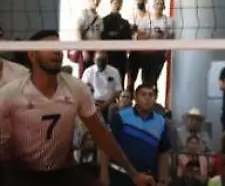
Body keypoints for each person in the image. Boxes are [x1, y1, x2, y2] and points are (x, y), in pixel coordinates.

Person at [0, 30, 154, 186]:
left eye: (60, 48)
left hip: (64, 172)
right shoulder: (11, 93)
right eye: (49, 47)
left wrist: (134, 174)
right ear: (32, 55)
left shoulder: (76, 88)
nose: (57, 52)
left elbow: (101, 133)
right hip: (22, 174)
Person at [100, 83, 172, 186]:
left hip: (148, 179)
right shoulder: (121, 117)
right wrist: (104, 175)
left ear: (155, 99)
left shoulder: (161, 122)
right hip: (120, 176)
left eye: (151, 95)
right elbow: (105, 145)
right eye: (143, 94)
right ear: (136, 98)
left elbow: (163, 153)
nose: (147, 98)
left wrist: (162, 181)